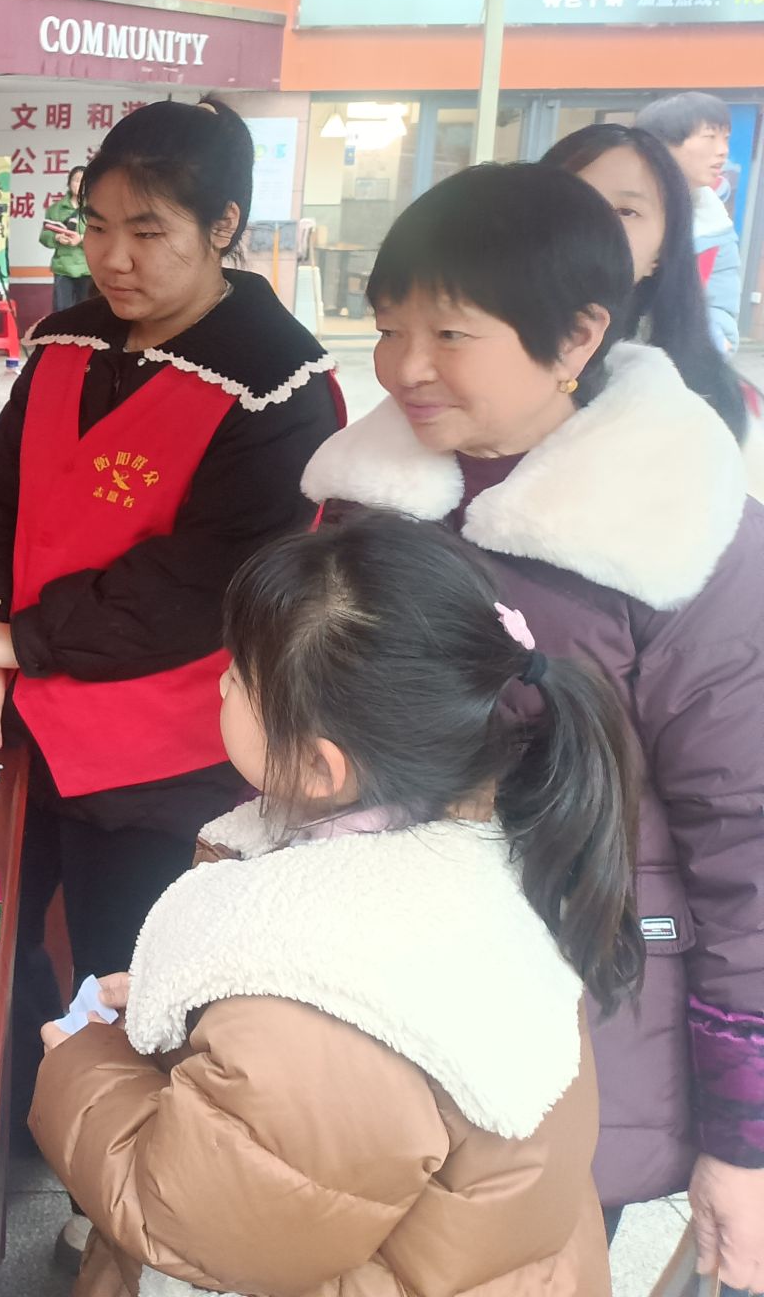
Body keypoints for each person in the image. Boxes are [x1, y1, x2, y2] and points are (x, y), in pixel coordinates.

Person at [300, 162, 764, 1279]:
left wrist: (744, 1142)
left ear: (577, 337)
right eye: (388, 326)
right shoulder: (362, 503)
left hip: (570, 1040)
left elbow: (745, 840)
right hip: (367, 1008)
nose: (403, 366)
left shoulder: (685, 536)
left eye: (449, 333)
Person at [33, 511, 636, 1295]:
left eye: (241, 676)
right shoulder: (480, 849)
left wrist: (83, 1065)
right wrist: (184, 1009)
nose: (220, 681)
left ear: (321, 769)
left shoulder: (328, 996)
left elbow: (192, 1223)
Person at [0, 98, 342, 1238]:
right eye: (96, 226)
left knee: (136, 972)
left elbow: (208, 579)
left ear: (223, 226)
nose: (113, 258)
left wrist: (25, 640)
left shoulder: (279, 382)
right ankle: (6, 1130)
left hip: (165, 754)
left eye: (148, 231)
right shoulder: (66, 342)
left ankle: (113, 1199)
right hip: (21, 722)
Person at [543, 123, 762, 497]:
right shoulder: (463, 357)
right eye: (570, 204)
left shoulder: (714, 404)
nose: (594, 226)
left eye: (625, 211)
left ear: (662, 250)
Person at [636, 91, 742, 355]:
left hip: (678, 364)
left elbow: (721, 305)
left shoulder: (715, 224)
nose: (723, 150)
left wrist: (715, 342)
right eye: (709, 137)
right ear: (662, 144)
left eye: (726, 138)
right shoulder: (616, 207)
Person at [39, 164, 94, 311]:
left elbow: (104, 236)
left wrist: (81, 239)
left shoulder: (95, 209)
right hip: (63, 267)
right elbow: (44, 236)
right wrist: (56, 237)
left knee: (88, 311)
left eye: (83, 181)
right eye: (76, 180)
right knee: (62, 311)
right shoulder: (55, 209)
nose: (79, 184)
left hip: (88, 268)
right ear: (69, 183)